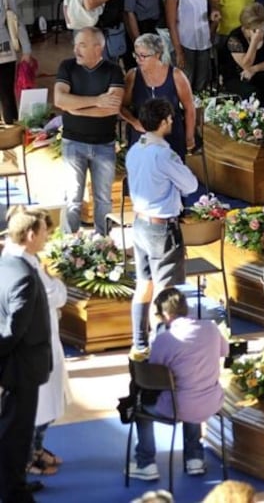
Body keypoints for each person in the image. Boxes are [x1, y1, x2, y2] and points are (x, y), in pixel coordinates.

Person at [128, 287, 228, 481]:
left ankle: (146, 463)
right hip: (212, 402)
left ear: (165, 313)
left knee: (142, 410)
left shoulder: (166, 339)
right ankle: (195, 459)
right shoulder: (211, 327)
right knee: (192, 388)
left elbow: (154, 373)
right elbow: (224, 350)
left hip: (179, 407)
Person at [125, 98, 199, 357]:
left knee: (143, 284)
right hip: (161, 229)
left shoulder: (135, 149)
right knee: (167, 290)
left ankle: (139, 343)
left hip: (140, 224)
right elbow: (190, 185)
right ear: (164, 121)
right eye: (170, 118)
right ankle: (163, 348)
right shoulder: (163, 154)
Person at [0, 207, 53, 503]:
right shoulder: (24, 277)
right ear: (31, 235)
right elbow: (13, 332)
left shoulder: (6, 263)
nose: (47, 236)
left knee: (12, 430)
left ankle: (12, 481)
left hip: (15, 368)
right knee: (16, 434)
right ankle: (14, 492)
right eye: (44, 231)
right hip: (21, 369)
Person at [53, 27, 126, 235]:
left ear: (98, 48)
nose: (76, 49)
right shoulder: (67, 67)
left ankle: (103, 244)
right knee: (72, 197)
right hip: (72, 143)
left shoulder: (113, 71)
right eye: (76, 44)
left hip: (104, 144)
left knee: (103, 199)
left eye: (82, 45)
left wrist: (75, 107)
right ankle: (69, 244)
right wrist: (96, 101)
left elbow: (111, 108)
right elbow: (59, 100)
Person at [120, 33, 197, 159]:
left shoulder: (177, 76)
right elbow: (122, 106)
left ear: (157, 54)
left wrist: (189, 136)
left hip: (171, 136)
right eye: (136, 55)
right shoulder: (132, 75)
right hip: (142, 136)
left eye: (143, 56)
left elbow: (189, 108)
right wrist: (135, 122)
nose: (138, 60)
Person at [164, 0, 216, 94]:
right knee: (186, 83)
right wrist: (178, 50)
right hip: (186, 43)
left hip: (203, 41)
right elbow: (172, 23)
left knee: (202, 82)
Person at [0, 0, 31, 123]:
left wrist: (26, 50)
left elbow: (16, 20)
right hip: (4, 52)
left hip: (4, 52)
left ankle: (12, 132)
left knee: (7, 94)